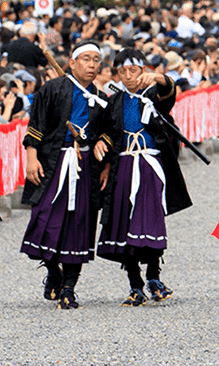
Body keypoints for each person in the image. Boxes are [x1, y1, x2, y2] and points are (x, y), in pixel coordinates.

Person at [20, 41, 113, 309]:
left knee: (79, 224)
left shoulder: (100, 98)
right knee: (44, 219)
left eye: (97, 60)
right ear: (72, 63)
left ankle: (69, 288)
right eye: (86, 59)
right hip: (53, 161)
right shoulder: (53, 89)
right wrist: (31, 157)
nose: (93, 65)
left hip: (84, 166)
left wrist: (101, 143)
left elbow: (109, 130)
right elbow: (36, 125)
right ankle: (53, 271)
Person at [97, 48, 192, 306]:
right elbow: (108, 131)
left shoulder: (152, 95)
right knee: (125, 226)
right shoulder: (114, 100)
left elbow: (168, 93)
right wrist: (105, 162)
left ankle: (153, 276)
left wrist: (159, 78)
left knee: (150, 223)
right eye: (122, 71)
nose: (128, 76)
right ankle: (135, 284)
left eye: (134, 70)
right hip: (123, 165)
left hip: (150, 164)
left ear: (143, 70)